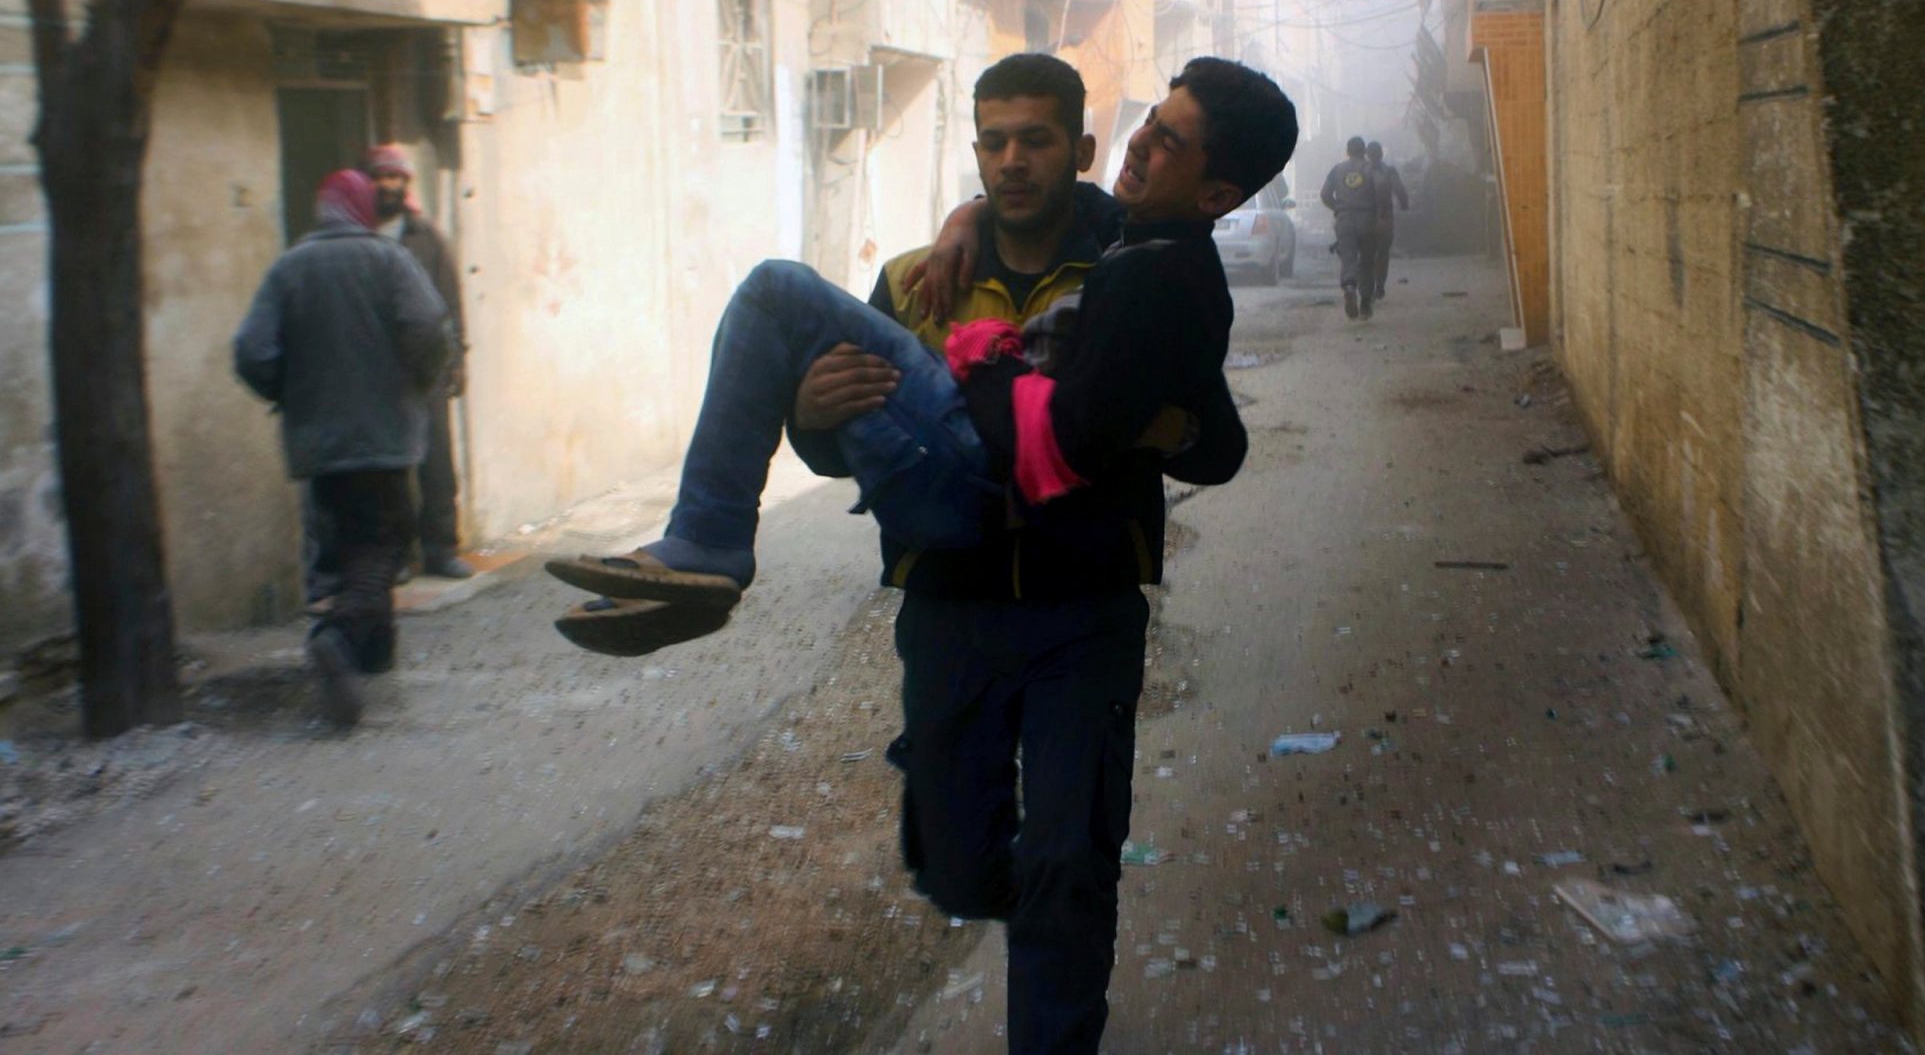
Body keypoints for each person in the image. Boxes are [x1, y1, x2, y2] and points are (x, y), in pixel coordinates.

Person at [549, 54, 1296, 1053]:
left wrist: (1155, 429)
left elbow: (1219, 438)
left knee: (1069, 861)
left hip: (1084, 606)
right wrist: (808, 417)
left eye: (1038, 140)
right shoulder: (915, 278)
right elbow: (854, 430)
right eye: (994, 142)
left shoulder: (1137, 254)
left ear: (1076, 150)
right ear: (976, 151)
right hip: (950, 604)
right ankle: (1004, 874)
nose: (1013, 160)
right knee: (957, 865)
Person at [233, 170, 452, 728]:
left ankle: (374, 660)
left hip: (320, 446)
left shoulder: (288, 268)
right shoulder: (387, 260)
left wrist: (289, 394)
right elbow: (429, 327)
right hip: (384, 437)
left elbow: (253, 351)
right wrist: (420, 384)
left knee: (348, 544)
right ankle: (339, 635)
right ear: (362, 209)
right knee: (385, 542)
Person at [367, 145, 473, 579]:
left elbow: (449, 299)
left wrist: (457, 358)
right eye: (381, 178)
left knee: (437, 463)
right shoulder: (361, 237)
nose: (390, 186)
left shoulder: (426, 237)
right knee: (388, 467)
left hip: (425, 367)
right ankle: (396, 557)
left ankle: (441, 549)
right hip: (377, 370)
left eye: (397, 179)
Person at [1321, 135, 1383, 319]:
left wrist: (1338, 208)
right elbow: (1381, 192)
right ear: (1364, 152)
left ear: (1347, 152)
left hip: (1344, 219)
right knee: (1367, 260)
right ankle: (1365, 303)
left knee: (1348, 256)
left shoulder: (1337, 170)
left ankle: (1349, 287)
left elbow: (1325, 194)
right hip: (1367, 218)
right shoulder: (1371, 168)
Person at [1366, 140, 1410, 300]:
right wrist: (1404, 205)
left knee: (1367, 253)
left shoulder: (1362, 171)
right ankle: (1379, 286)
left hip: (1366, 219)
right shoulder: (1389, 171)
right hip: (1385, 219)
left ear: (1367, 155)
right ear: (1381, 154)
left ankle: (1367, 286)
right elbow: (1399, 190)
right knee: (1383, 253)